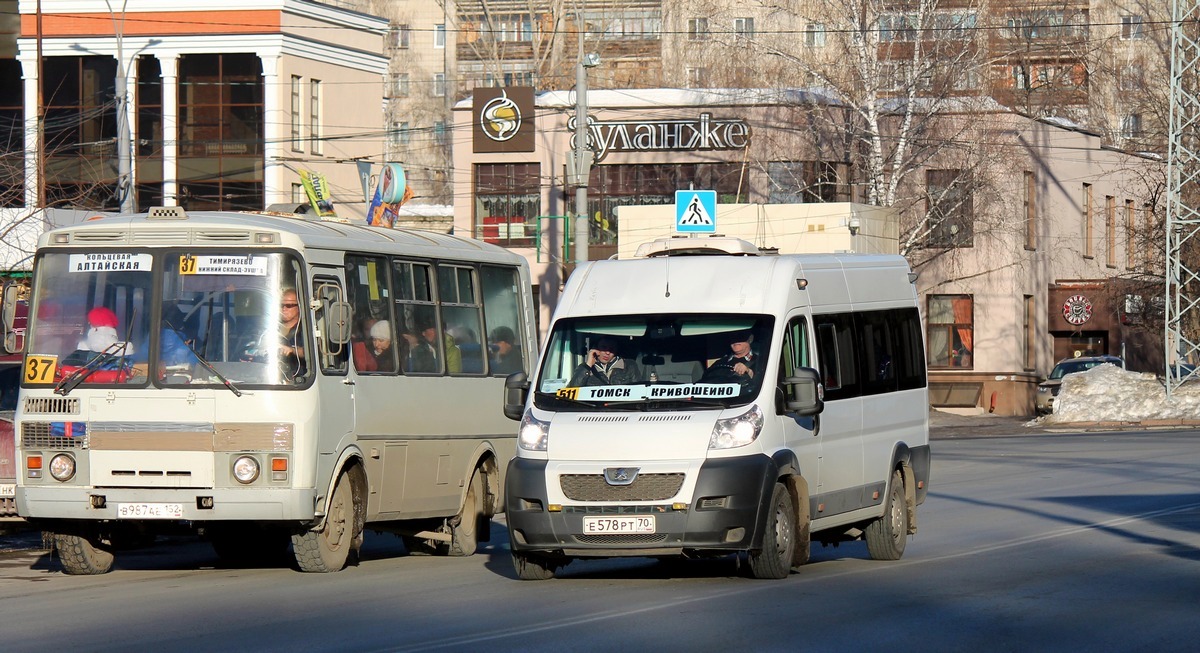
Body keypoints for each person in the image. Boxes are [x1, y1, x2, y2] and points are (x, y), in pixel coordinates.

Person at [568, 336, 642, 386]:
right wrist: (588, 365)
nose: (607, 352)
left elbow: (638, 390)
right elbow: (571, 391)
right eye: (604, 348)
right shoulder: (584, 368)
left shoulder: (629, 366)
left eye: (611, 349)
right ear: (596, 348)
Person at [277, 288, 306, 379]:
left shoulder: (305, 330)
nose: (284, 309)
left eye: (289, 305)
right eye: (281, 305)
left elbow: (311, 352)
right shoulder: (270, 328)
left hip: (297, 380)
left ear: (299, 307)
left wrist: (292, 350)